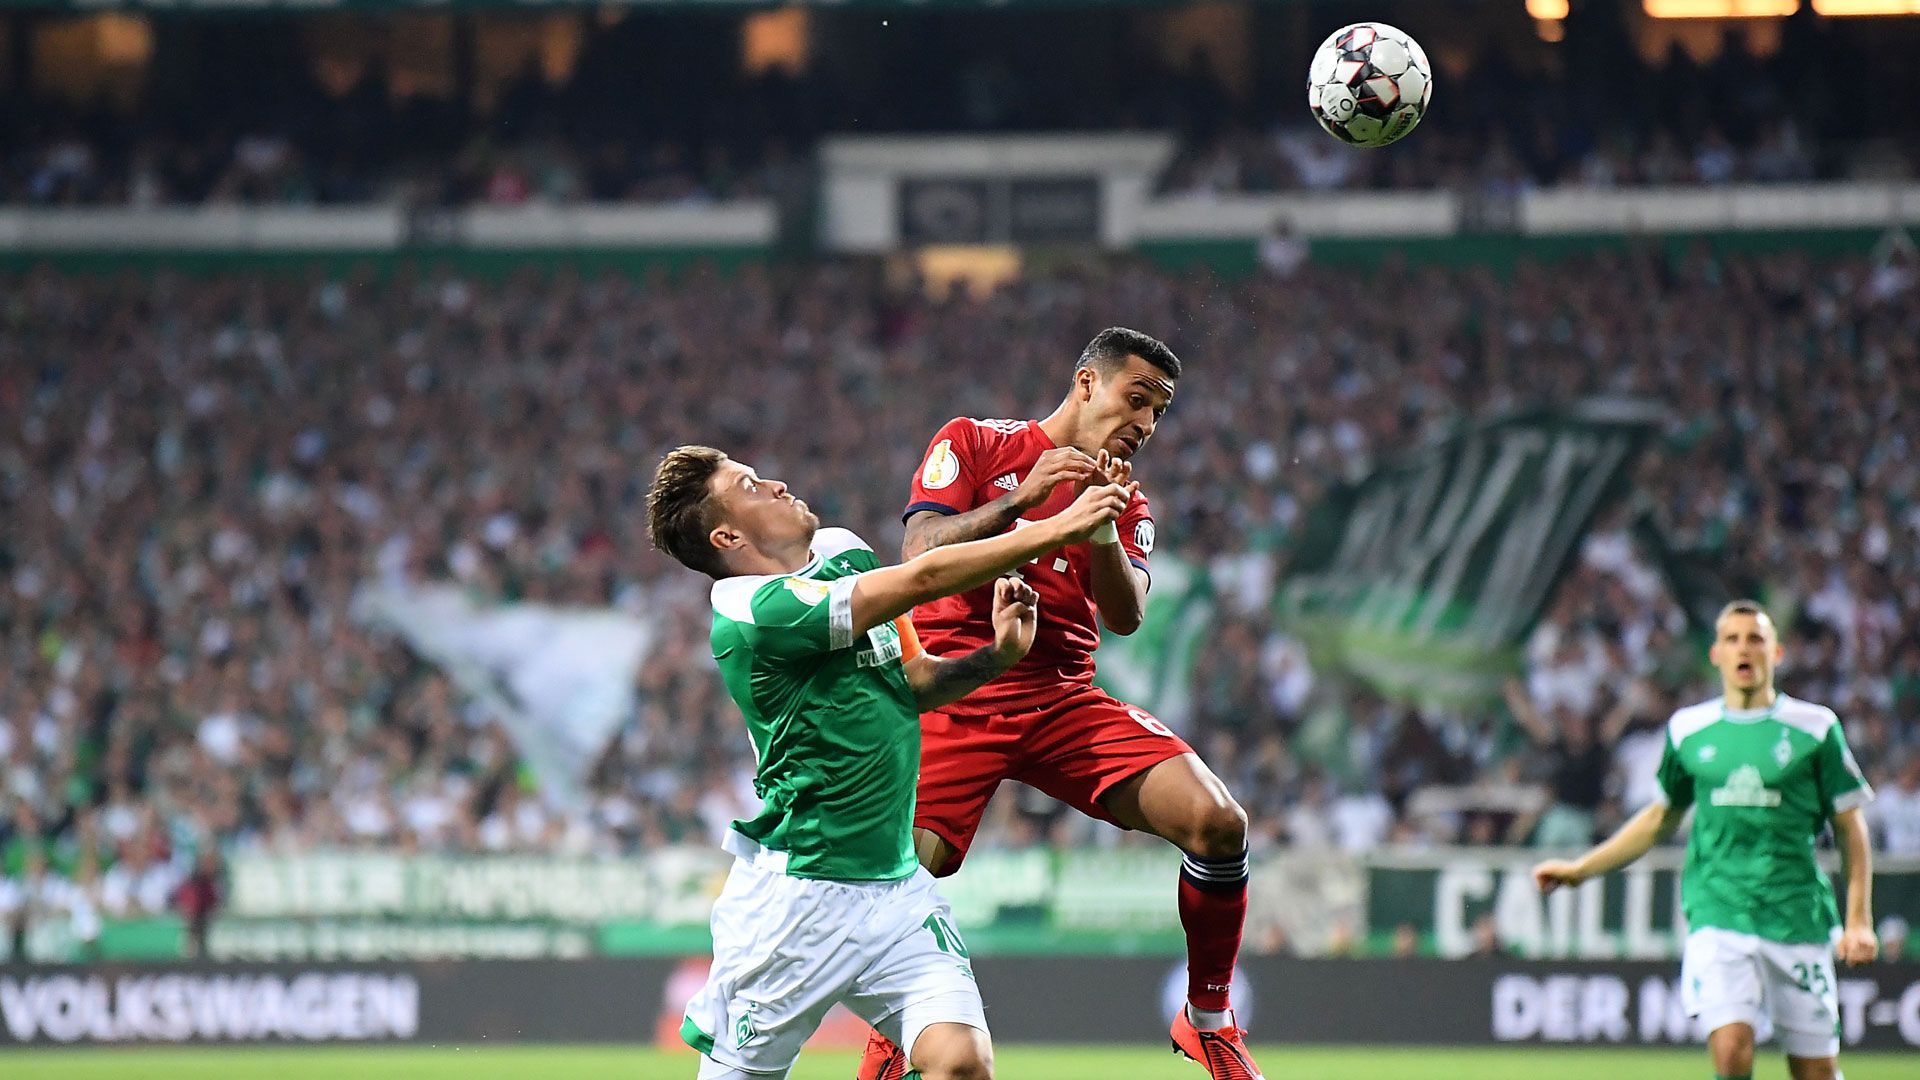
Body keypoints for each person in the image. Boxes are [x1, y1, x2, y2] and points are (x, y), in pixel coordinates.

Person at [645, 444, 1133, 1080]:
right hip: (799, 899)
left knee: (961, 1062)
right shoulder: (750, 613)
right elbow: (923, 578)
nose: (777, 480)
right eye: (750, 484)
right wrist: (1054, 525)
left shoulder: (843, 550)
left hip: (896, 886)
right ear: (727, 534)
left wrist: (999, 656)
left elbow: (913, 681)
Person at [862, 328, 1266, 1080]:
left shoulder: (1130, 500)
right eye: (1136, 398)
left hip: (1060, 700)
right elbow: (919, 552)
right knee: (905, 884)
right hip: (959, 688)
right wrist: (1025, 501)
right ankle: (893, 1043)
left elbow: (1126, 617)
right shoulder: (975, 443)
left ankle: (1207, 1018)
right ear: (1087, 384)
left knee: (1219, 822)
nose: (1146, 423)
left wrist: (1101, 525)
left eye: (1160, 412)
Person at [1533, 601, 1877, 1080]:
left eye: (1755, 638)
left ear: (1776, 652)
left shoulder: (1815, 728)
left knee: (1814, 1071)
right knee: (1732, 1048)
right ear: (1716, 654)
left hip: (1796, 915)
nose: (1744, 648)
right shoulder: (1688, 730)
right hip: (1718, 913)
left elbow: (1849, 826)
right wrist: (1580, 870)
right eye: (1733, 639)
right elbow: (1658, 819)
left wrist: (1858, 920)